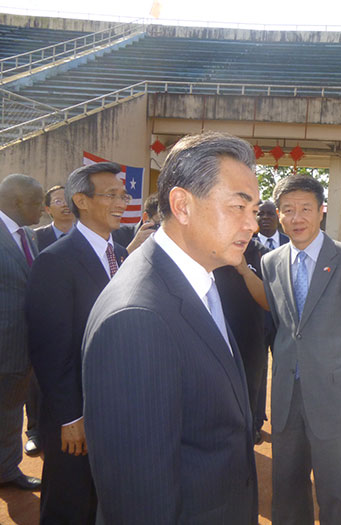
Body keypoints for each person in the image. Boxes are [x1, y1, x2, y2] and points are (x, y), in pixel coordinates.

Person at [82, 132, 259, 525]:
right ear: (182, 205)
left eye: (254, 209)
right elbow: (139, 498)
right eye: (238, 206)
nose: (251, 224)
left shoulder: (196, 278)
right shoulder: (138, 318)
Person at [261, 175, 341, 525]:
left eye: (305, 209)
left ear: (321, 211)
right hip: (287, 394)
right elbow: (281, 328)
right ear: (279, 214)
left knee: (336, 489)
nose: (296, 218)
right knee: (286, 487)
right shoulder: (271, 263)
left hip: (334, 396)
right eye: (288, 210)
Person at [26, 162, 129, 524]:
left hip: (117, 404)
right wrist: (71, 416)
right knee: (70, 502)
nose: (122, 203)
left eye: (124, 195)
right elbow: (49, 349)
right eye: (111, 195)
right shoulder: (55, 261)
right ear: (81, 201)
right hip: (76, 413)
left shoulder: (122, 255)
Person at [0, 173, 43, 492]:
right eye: (36, 202)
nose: (42, 208)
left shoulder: (26, 234)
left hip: (19, 346)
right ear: (16, 202)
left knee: (11, 412)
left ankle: (6, 470)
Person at [215, 237, 270, 446]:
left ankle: (248, 439)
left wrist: (245, 270)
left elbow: (268, 302)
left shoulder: (261, 254)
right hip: (216, 340)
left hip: (249, 342)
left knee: (248, 400)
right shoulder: (209, 248)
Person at [252, 200, 290, 440]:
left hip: (283, 322)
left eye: (269, 214)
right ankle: (255, 423)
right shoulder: (246, 244)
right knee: (256, 372)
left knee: (285, 373)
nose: (265, 218)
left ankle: (285, 424)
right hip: (255, 320)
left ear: (277, 216)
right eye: (260, 214)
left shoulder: (290, 243)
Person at [34, 185, 74, 251]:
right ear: (48, 209)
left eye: (69, 200)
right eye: (58, 201)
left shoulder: (85, 234)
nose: (65, 205)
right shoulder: (36, 236)